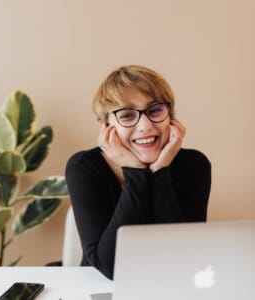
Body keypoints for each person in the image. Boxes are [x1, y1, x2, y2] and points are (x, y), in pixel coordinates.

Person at [65, 65, 211, 280]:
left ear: (170, 116)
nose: (145, 126)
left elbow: (185, 257)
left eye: (154, 111)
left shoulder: (194, 164)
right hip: (102, 288)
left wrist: (160, 171)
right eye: (126, 115)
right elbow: (110, 267)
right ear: (106, 125)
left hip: (171, 285)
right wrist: (135, 172)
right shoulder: (84, 167)